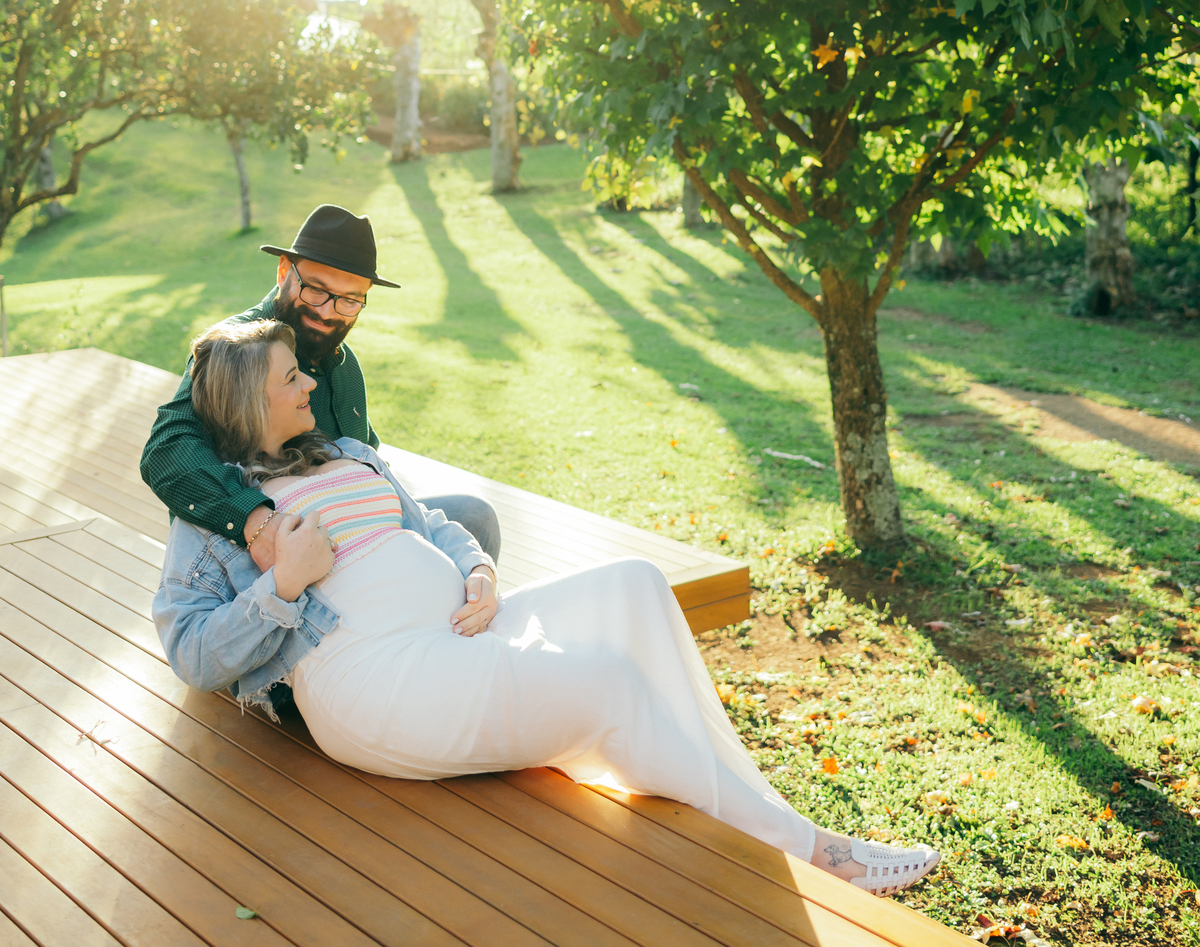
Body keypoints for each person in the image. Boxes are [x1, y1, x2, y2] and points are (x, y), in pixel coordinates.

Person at [153, 319, 939, 898]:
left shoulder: (346, 455)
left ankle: (740, 797)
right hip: (378, 682)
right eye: (291, 378)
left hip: (460, 633)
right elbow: (191, 652)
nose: (309, 385)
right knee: (608, 682)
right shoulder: (218, 517)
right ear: (249, 399)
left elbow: (433, 526)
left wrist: (479, 569)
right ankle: (814, 852)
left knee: (635, 583)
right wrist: (282, 586)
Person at [139, 204, 500, 566]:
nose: (327, 312)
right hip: (267, 549)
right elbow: (166, 451)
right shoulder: (236, 349)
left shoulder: (345, 366)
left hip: (351, 524)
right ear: (284, 271)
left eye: (350, 300)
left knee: (474, 518)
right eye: (316, 290)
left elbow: (369, 460)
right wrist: (257, 523)